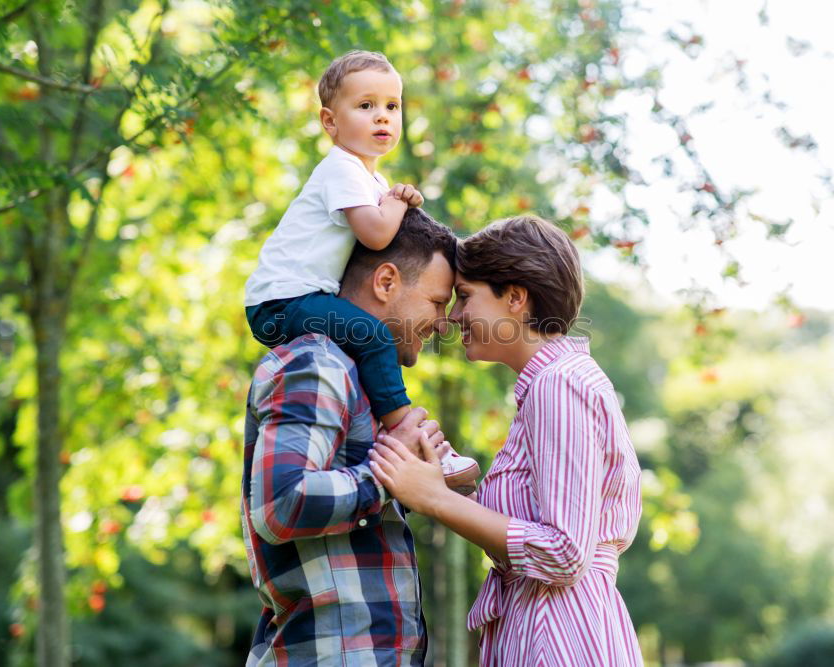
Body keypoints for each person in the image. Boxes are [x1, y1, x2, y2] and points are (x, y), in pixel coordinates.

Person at [369, 215, 645, 666]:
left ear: (515, 298)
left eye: (465, 297)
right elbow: (537, 532)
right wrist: (447, 483)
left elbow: (563, 552)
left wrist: (435, 499)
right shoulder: (548, 388)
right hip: (543, 628)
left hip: (560, 637)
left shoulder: (560, 385)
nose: (453, 318)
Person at [242, 209, 468, 666]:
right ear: (386, 282)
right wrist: (392, 470)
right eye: (437, 302)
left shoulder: (357, 380)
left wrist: (421, 481)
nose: (444, 323)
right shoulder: (316, 364)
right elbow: (281, 505)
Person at [243, 49, 477, 489]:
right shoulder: (341, 168)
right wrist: (395, 201)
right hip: (281, 301)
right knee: (370, 334)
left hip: (301, 299)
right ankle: (404, 426)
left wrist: (393, 197)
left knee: (362, 345)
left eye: (392, 106)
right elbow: (375, 236)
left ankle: (396, 442)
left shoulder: (368, 179)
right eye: (366, 106)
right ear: (330, 122)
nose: (382, 117)